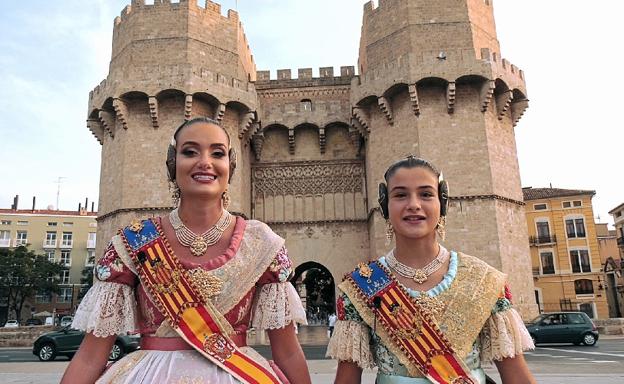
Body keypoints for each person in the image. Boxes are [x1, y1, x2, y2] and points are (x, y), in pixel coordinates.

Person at [61, 117, 311, 384]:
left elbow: (287, 352)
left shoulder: (261, 243)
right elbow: (90, 356)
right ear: (173, 163)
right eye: (190, 151)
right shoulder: (133, 242)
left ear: (230, 165)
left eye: (217, 153)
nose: (205, 162)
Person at [327, 156, 536, 384]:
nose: (414, 204)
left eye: (426, 194)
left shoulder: (483, 280)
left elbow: (516, 375)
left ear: (442, 203)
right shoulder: (362, 286)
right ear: (385, 205)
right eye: (400, 195)